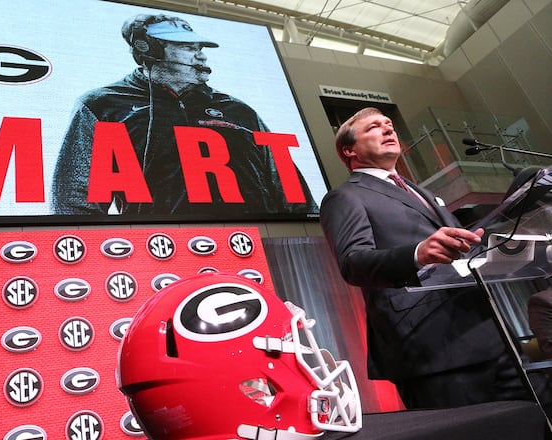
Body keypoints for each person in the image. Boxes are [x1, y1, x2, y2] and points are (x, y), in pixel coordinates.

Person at [320, 107, 532, 409]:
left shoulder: (423, 193)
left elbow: (465, 251)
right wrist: (417, 254)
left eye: (390, 124)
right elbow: (353, 263)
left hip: (492, 335)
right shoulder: (345, 197)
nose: (388, 130)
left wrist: (519, 245)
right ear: (349, 150)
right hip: (433, 348)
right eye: (374, 127)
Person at [51, 13, 317, 217]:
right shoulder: (102, 105)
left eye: (200, 48)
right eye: (189, 48)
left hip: (255, 246)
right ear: (148, 49)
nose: (201, 57)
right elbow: (74, 204)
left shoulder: (239, 110)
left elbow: (292, 191)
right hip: (165, 252)